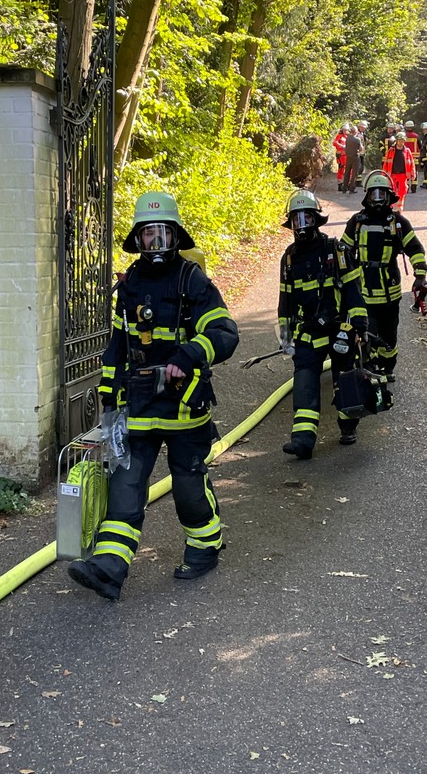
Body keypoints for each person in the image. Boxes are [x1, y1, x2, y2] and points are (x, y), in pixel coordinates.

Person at [67, 191, 239, 600]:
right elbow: (117, 348)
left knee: (187, 489)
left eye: (163, 235)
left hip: (184, 407)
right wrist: (109, 402)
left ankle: (204, 547)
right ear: (138, 240)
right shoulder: (130, 285)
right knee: (126, 485)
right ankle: (109, 568)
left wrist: (189, 354)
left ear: (176, 237)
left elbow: (226, 334)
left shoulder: (192, 280)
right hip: (139, 407)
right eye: (149, 236)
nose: (156, 244)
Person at [278, 189, 368, 457]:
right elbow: (286, 300)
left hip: (340, 330)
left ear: (317, 220)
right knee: (304, 383)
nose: (302, 226)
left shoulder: (336, 251)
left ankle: (348, 426)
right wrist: (285, 335)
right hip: (308, 333)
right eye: (297, 220)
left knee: (345, 379)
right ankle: (303, 441)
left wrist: (358, 327)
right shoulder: (290, 258)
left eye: (307, 219)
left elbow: (353, 290)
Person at [342, 172, 427, 381]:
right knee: (366, 332)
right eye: (374, 194)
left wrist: (420, 274)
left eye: (382, 194)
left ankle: (387, 367)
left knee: (389, 335)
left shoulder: (398, 223)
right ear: (367, 197)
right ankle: (369, 366)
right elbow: (344, 252)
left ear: (390, 196)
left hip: (390, 294)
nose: (378, 199)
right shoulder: (356, 222)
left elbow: (415, 248)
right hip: (363, 292)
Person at [383, 131, 416, 214]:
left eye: (402, 141)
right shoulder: (391, 150)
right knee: (391, 192)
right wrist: (383, 174)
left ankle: (399, 210)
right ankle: (389, 209)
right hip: (392, 175)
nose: (401, 142)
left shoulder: (407, 151)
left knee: (402, 192)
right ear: (396, 141)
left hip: (403, 175)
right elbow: (386, 163)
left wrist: (413, 174)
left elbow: (411, 163)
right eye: (399, 140)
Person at [342, 125, 364, 194]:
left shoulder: (347, 138)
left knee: (347, 173)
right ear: (355, 132)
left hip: (348, 157)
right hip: (355, 157)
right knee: (354, 173)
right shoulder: (357, 139)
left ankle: (344, 188)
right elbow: (361, 148)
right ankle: (351, 188)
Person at [403, 121, 421, 191]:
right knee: (414, 171)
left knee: (405, 172)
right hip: (415, 158)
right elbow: (420, 146)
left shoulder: (403, 136)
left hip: (405, 158)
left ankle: (406, 186)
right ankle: (414, 187)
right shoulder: (416, 136)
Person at [332, 124, 350, 189]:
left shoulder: (347, 136)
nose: (345, 131)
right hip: (341, 155)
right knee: (341, 169)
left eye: (346, 130)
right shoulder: (339, 136)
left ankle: (347, 183)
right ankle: (340, 184)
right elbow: (334, 143)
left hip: (347, 155)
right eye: (344, 130)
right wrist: (342, 146)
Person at [356, 120, 369, 186]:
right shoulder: (357, 133)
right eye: (362, 127)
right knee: (359, 167)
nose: (363, 129)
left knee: (361, 167)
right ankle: (356, 181)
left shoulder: (363, 134)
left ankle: (358, 181)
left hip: (362, 152)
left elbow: (364, 142)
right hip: (357, 152)